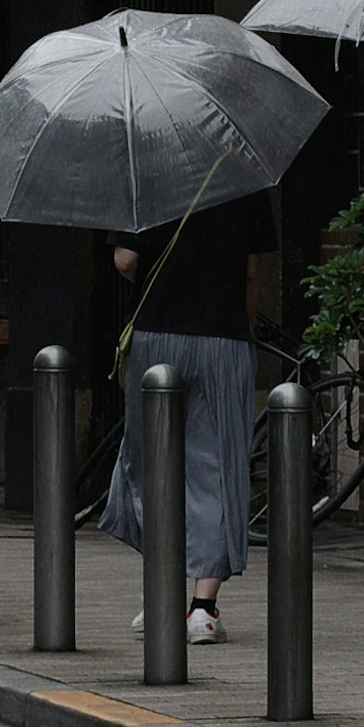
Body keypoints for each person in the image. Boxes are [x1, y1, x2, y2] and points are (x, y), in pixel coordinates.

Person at [103, 180, 274, 646]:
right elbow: (252, 272)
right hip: (225, 336)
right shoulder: (247, 176)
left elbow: (125, 259)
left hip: (158, 332)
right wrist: (246, 331)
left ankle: (160, 592)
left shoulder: (147, 173)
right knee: (216, 462)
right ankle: (202, 608)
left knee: (154, 461)